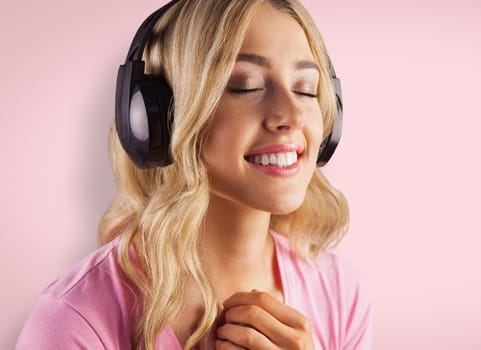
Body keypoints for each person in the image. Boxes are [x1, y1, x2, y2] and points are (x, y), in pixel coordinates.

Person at [15, 0, 372, 349]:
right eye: (245, 86)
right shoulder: (76, 319)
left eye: (306, 89)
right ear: (160, 119)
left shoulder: (342, 294)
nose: (291, 115)